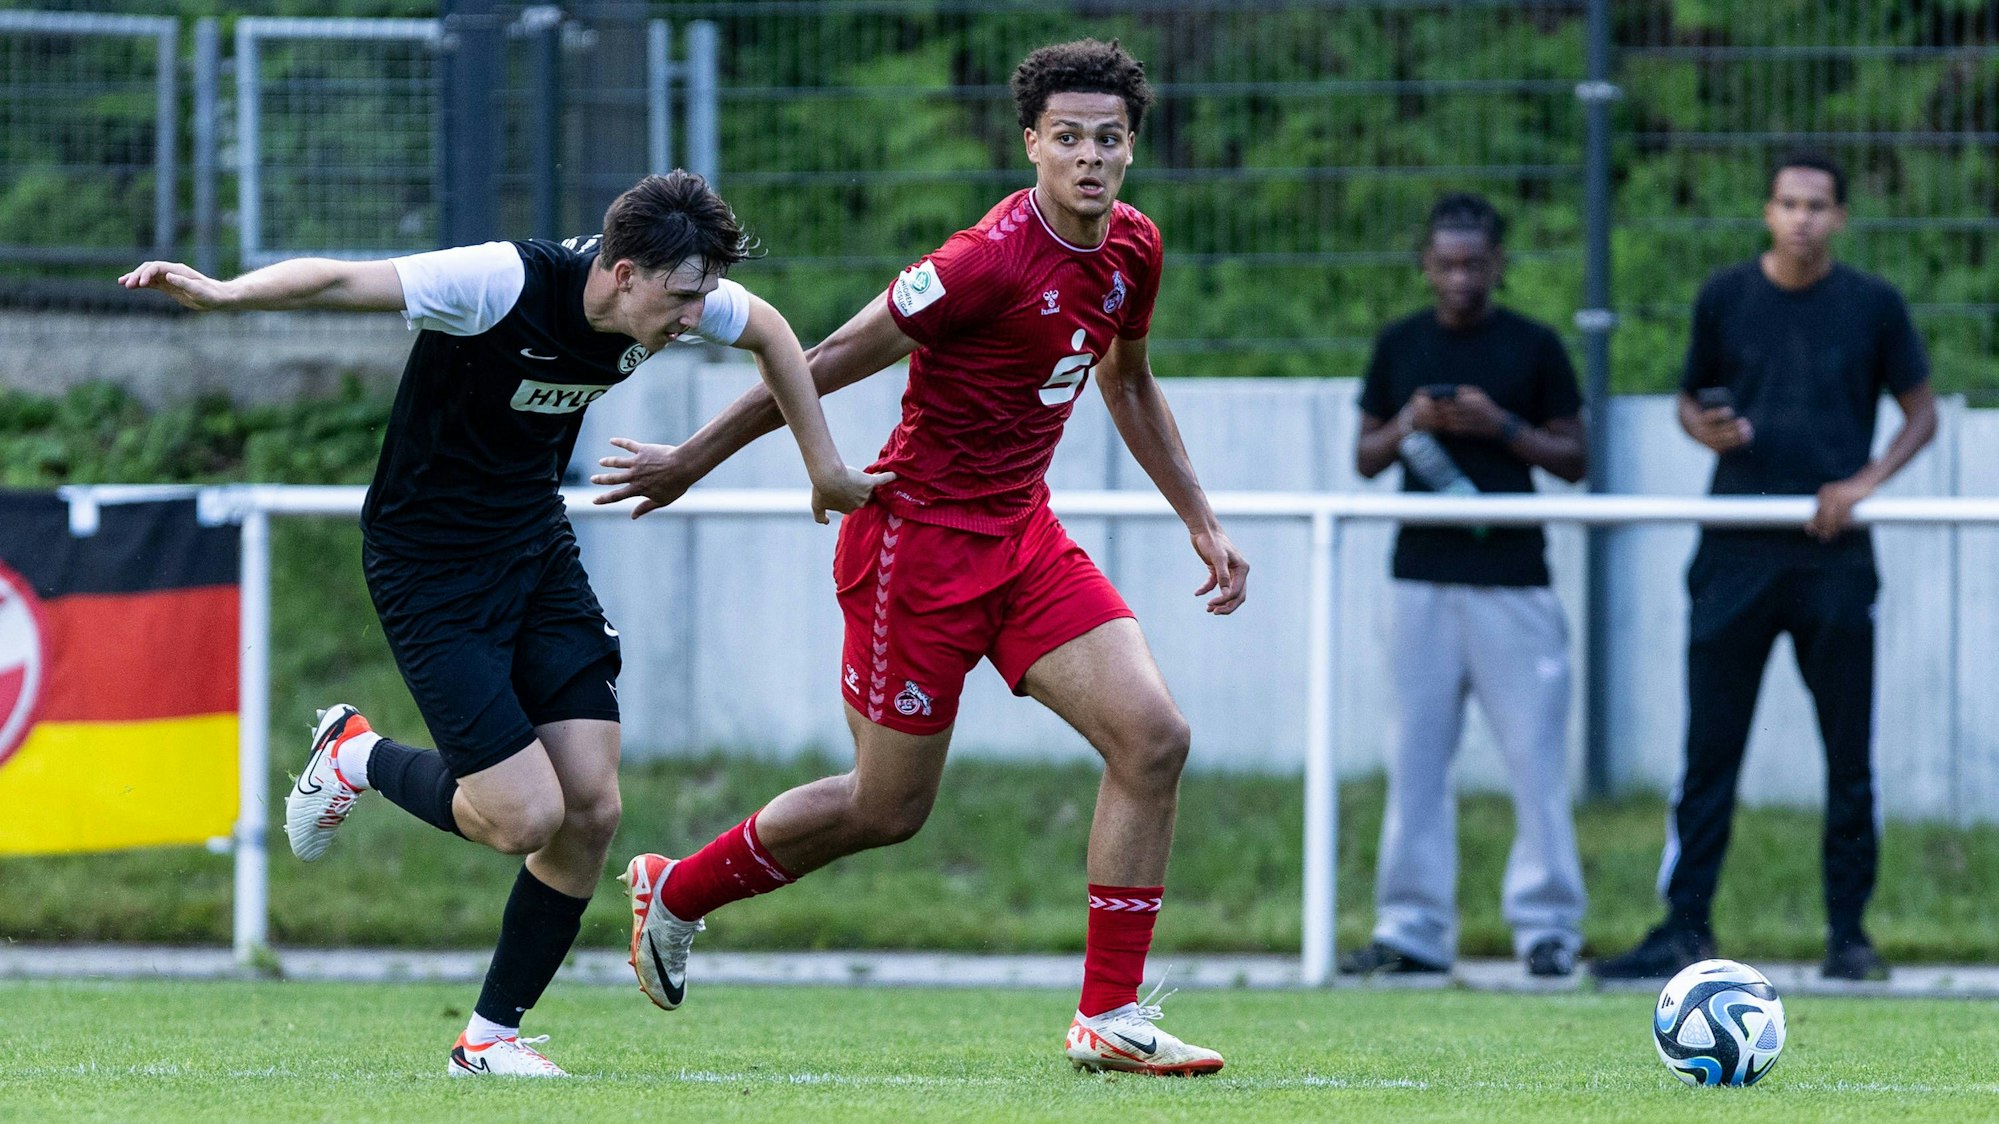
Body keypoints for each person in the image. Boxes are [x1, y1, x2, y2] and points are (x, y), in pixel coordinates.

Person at [120, 172, 887, 1076]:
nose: (694, 319)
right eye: (682, 300)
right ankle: (356, 756)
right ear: (625, 272)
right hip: (427, 565)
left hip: (535, 550)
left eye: (703, 297)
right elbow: (340, 280)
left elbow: (771, 334)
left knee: (592, 809)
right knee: (523, 818)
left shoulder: (683, 298)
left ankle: (488, 1040)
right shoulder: (497, 282)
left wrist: (823, 466)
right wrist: (224, 293)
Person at [592, 39, 1247, 1076]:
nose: (1088, 156)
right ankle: (676, 890)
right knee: (884, 807)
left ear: (1131, 150)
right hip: (915, 548)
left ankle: (1107, 1014)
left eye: (1107, 139)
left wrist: (1199, 517)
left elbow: (1127, 382)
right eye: (1066, 137)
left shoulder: (1133, 247)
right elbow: (819, 361)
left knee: (1153, 735)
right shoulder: (980, 261)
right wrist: (688, 460)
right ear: (1031, 143)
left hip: (1023, 537)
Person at [1592, 151, 1935, 983]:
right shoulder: (1725, 296)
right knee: (1709, 752)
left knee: (1847, 756)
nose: (1802, 218)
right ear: (1766, 211)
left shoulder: (1872, 305)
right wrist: (1696, 427)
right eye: (1787, 203)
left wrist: (1860, 484)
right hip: (1734, 552)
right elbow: (1688, 398)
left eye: (1817, 204)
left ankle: (1848, 936)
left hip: (1833, 558)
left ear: (1840, 217)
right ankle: (1682, 927)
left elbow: (1921, 415)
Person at [1340, 194, 1590, 980]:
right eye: (1444, 263)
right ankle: (1411, 928)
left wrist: (1499, 427)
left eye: (1473, 263)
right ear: (1424, 265)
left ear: (1497, 264)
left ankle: (1546, 928)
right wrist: (1413, 421)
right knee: (1413, 761)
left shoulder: (1535, 346)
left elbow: (1576, 459)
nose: (1458, 277)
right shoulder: (1399, 344)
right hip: (1418, 582)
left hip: (1514, 584)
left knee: (1535, 763)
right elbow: (1366, 458)